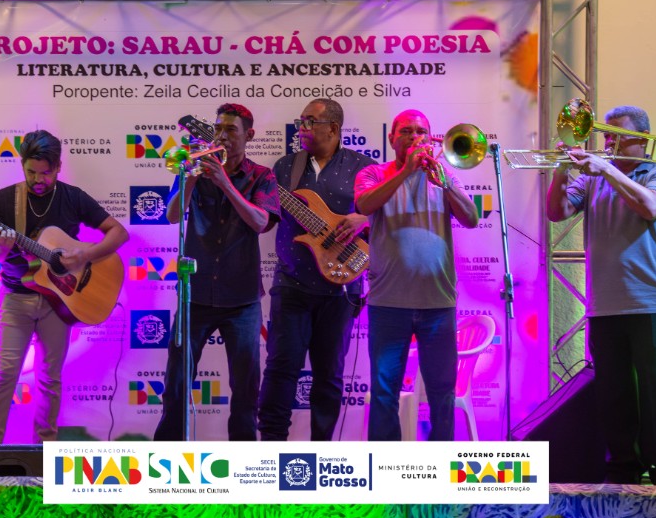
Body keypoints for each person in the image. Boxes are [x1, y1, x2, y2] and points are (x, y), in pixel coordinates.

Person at [545, 105, 656, 485]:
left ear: (642, 139)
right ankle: (622, 467)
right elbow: (557, 212)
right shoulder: (593, 180)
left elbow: (651, 207)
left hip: (651, 300)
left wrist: (606, 170)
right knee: (613, 390)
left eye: (617, 135)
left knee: (655, 388)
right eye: (606, 135)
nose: (608, 142)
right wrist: (561, 171)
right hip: (604, 303)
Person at [0, 129, 128, 443]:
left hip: (59, 302)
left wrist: (84, 256)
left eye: (45, 173)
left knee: (50, 378)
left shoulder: (72, 196)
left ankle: (44, 449)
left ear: (59, 167)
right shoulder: (6, 199)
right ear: (22, 165)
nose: (38, 180)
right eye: (31, 172)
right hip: (17, 297)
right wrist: (3, 248)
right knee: (4, 375)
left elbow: (119, 233)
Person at [154, 103, 280, 441]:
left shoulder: (262, 176)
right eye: (218, 129)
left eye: (231, 130)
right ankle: (165, 458)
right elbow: (172, 215)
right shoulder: (194, 166)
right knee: (176, 384)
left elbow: (261, 222)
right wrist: (192, 178)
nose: (222, 136)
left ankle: (243, 461)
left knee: (245, 388)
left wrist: (225, 184)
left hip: (242, 299)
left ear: (249, 135)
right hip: (195, 296)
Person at [354, 110, 481, 441]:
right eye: (406, 131)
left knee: (442, 393)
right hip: (388, 304)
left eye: (421, 131)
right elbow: (364, 205)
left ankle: (441, 466)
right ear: (391, 138)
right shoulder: (373, 173)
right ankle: (385, 467)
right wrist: (406, 172)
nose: (414, 137)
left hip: (437, 304)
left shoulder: (443, 175)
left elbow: (471, 218)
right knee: (384, 392)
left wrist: (445, 185)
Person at [257, 98, 375, 441]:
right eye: (301, 121)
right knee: (280, 368)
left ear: (333, 128)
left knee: (330, 375)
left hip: (341, 288)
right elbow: (268, 220)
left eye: (309, 122)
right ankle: (272, 448)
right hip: (292, 282)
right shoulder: (284, 167)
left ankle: (322, 449)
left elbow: (385, 215)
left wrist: (364, 219)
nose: (301, 128)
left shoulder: (364, 168)